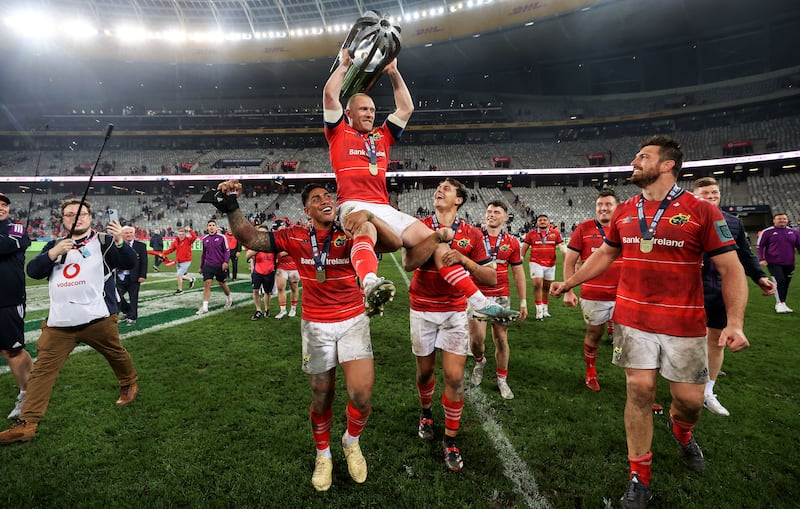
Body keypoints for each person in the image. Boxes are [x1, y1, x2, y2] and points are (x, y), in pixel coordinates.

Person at [550, 136, 749, 509]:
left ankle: (682, 431)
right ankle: (639, 477)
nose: (634, 161)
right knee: (639, 391)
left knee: (688, 402)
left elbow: (731, 269)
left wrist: (734, 323)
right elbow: (606, 254)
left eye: (643, 157)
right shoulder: (625, 210)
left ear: (667, 165)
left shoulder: (701, 211)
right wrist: (571, 281)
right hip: (633, 319)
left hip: (685, 324)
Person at [206, 180, 394, 491]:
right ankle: (324, 455)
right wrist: (231, 204)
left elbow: (393, 243)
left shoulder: (350, 229)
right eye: (317, 198)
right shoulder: (294, 236)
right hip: (316, 325)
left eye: (328, 195)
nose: (326, 200)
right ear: (306, 210)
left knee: (361, 394)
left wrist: (370, 219)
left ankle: (351, 441)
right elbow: (250, 237)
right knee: (321, 396)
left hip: (352, 320)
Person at [323, 49, 517, 322]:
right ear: (349, 112)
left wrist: (393, 72)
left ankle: (480, 303)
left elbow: (406, 108)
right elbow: (330, 95)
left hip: (383, 207)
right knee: (365, 225)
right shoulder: (338, 132)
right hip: (352, 204)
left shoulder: (382, 136)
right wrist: (344, 65)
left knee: (434, 242)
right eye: (364, 109)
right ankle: (368, 282)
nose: (369, 113)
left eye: (372, 110)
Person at [0, 198, 139, 444]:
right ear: (63, 219)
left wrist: (120, 241)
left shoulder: (104, 241)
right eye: (70, 214)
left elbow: (129, 262)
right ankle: (27, 424)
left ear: (90, 216)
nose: (77, 217)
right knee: (41, 371)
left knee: (115, 353)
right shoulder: (55, 244)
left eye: (81, 213)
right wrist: (53, 253)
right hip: (59, 323)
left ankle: (128, 382)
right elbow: (33, 271)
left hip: (98, 318)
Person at [405, 178, 501, 473]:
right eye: (438, 187)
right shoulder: (419, 225)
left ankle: (450, 440)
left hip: (454, 312)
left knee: (455, 378)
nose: (439, 190)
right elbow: (408, 263)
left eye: (447, 188)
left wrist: (465, 261)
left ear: (459, 200)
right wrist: (434, 239)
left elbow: (492, 277)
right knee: (424, 374)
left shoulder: (472, 233)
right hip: (422, 309)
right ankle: (425, 413)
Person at [693, 177, 776, 415]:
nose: (710, 197)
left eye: (714, 193)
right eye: (705, 193)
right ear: (695, 195)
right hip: (687, 290)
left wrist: (759, 276)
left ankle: (708, 391)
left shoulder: (732, 223)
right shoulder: (683, 221)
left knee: (717, 339)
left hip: (719, 289)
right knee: (685, 337)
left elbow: (745, 255)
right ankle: (684, 379)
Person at [561, 191, 623, 392]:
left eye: (608, 204)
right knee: (594, 334)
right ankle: (590, 370)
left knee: (631, 341)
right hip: (594, 295)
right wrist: (568, 290)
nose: (603, 208)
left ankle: (638, 385)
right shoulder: (584, 228)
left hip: (626, 295)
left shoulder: (627, 228)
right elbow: (570, 261)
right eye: (599, 204)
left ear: (617, 207)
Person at [468, 201, 528, 400]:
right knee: (476, 340)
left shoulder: (511, 242)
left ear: (505, 217)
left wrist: (523, 301)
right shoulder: (474, 236)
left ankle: (502, 380)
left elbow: (518, 273)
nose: (491, 215)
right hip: (477, 295)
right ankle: (479, 361)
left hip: (501, 296)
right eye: (488, 211)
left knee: (501, 339)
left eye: (496, 212)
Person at [0, 192, 33, 420]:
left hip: (9, 299)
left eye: (4, 205)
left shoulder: (17, 229)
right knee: (5, 349)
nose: (1, 207)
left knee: (13, 349)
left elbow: (5, 247)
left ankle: (27, 392)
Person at [521, 214, 566, 320]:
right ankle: (539, 311)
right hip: (536, 263)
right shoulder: (531, 234)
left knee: (546, 287)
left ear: (548, 222)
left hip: (550, 264)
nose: (542, 221)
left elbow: (562, 246)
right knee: (537, 285)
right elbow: (525, 247)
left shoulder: (555, 233)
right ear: (537, 222)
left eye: (544, 220)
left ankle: (545, 309)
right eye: (540, 220)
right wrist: (521, 258)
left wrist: (566, 256)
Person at [757, 212, 800, 313]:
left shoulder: (793, 232)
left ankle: (783, 303)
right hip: (773, 262)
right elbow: (760, 246)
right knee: (779, 281)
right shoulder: (767, 232)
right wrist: (761, 259)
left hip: (790, 262)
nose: (782, 221)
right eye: (779, 219)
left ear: (787, 220)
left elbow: (798, 245)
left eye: (784, 219)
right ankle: (779, 304)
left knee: (786, 283)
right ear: (774, 220)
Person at [196, 219, 233, 315]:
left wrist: (225, 262)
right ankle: (205, 307)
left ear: (216, 227)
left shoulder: (222, 237)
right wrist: (201, 266)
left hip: (220, 265)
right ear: (207, 227)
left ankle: (229, 298)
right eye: (209, 225)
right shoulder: (204, 239)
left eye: (213, 225)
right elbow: (203, 254)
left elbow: (227, 251)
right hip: (208, 265)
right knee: (207, 283)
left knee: (222, 283)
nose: (211, 227)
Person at [116, 226, 148, 325]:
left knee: (134, 298)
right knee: (117, 296)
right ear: (122, 235)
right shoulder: (116, 245)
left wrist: (142, 275)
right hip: (120, 276)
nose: (129, 234)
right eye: (126, 233)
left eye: (131, 232)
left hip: (134, 277)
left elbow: (144, 262)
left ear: (134, 234)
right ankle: (127, 310)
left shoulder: (141, 246)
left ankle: (132, 317)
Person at [246, 225, 276, 320]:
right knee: (255, 290)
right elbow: (247, 256)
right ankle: (258, 310)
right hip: (257, 271)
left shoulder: (272, 244)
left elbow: (279, 255)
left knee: (267, 292)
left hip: (269, 271)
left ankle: (267, 310)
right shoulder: (254, 244)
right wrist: (254, 251)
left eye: (264, 232)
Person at [274, 221, 301, 320]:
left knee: (294, 288)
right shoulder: (276, 239)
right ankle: (283, 310)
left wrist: (284, 252)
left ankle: (293, 308)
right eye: (280, 227)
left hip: (293, 266)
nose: (282, 228)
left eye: (283, 227)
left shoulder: (292, 237)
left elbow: (297, 249)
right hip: (281, 266)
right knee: (281, 288)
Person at [162, 225, 197, 294]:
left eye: (183, 234)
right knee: (180, 276)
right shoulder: (176, 241)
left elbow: (194, 237)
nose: (181, 236)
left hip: (186, 261)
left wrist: (190, 230)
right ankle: (191, 279)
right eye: (180, 234)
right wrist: (163, 254)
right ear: (177, 234)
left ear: (185, 234)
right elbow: (171, 249)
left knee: (179, 275)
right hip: (179, 261)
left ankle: (179, 290)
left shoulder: (188, 240)